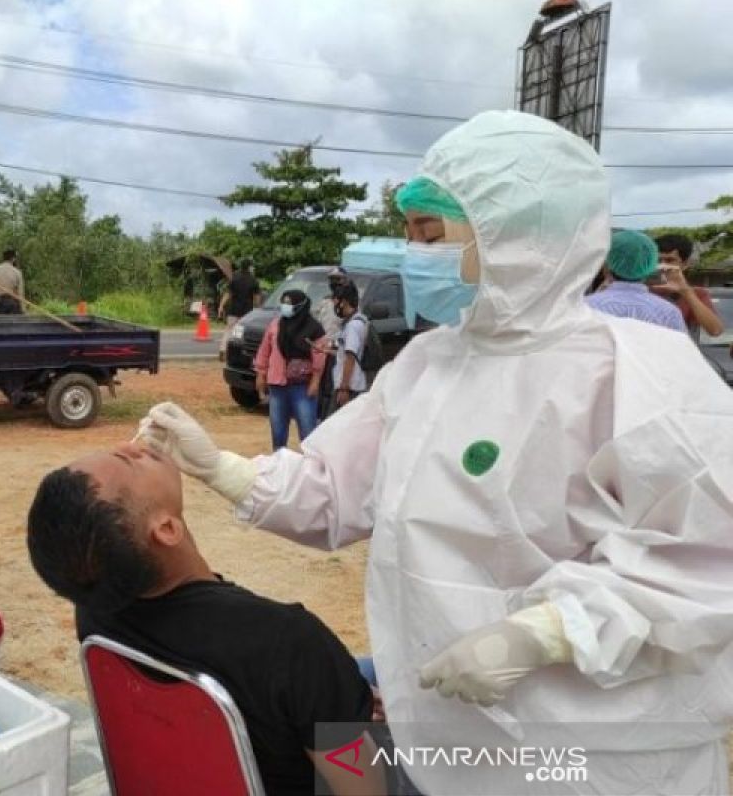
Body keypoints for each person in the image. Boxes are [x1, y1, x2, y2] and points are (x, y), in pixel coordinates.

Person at [139, 111, 733, 795]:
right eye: (410, 232)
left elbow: (705, 560)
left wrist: (545, 634)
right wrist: (223, 468)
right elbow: (337, 488)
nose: (413, 252)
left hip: (591, 752)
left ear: (517, 233)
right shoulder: (431, 363)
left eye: (431, 233)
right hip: (446, 730)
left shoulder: (634, 372)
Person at [27, 443, 386, 796]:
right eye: (129, 461)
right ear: (166, 530)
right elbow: (364, 788)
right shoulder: (289, 642)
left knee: (355, 675)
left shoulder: (95, 610)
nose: (132, 445)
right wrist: (345, 706)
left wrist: (335, 694)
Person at [254, 290, 326, 450]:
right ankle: (279, 465)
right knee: (278, 431)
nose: (285, 306)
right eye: (283, 302)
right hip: (277, 385)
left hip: (302, 386)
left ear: (300, 306)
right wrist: (260, 373)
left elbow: (319, 357)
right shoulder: (276, 324)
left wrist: (315, 381)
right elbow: (264, 350)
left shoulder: (314, 329)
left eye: (289, 303)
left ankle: (310, 466)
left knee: (307, 431)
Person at [586, 230, 686, 332]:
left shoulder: (585, 308)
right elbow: (681, 347)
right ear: (650, 266)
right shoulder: (669, 313)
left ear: (606, 265)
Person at [653, 233, 724, 339]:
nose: (662, 266)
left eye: (669, 260)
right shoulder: (642, 289)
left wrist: (686, 292)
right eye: (658, 261)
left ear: (685, 264)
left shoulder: (697, 294)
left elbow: (715, 330)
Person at [328, 280, 369, 411]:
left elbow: (350, 357)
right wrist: (328, 351)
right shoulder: (360, 320)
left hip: (350, 388)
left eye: (335, 301)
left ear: (344, 301)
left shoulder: (352, 326)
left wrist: (344, 388)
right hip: (351, 385)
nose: (334, 305)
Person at [218, 258, 262, 361]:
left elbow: (228, 293)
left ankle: (223, 349)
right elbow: (257, 298)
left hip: (233, 309)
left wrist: (221, 306)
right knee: (241, 333)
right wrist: (258, 308)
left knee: (229, 330)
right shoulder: (253, 280)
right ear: (249, 267)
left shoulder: (234, 278)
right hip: (246, 312)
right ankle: (238, 353)